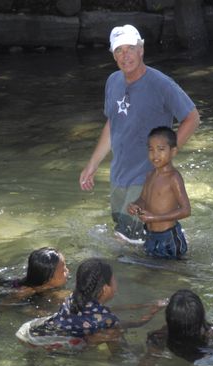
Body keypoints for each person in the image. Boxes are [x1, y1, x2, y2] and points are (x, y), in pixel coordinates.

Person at [79, 24, 200, 244]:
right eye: (119, 50)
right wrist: (92, 164)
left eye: (130, 48)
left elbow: (192, 118)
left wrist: (165, 158)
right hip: (118, 175)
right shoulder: (113, 81)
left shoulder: (161, 84)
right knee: (130, 236)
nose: (125, 56)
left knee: (126, 240)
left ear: (141, 49)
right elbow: (112, 124)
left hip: (145, 176)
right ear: (113, 55)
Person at [16, 258, 166, 351]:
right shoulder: (107, 319)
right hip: (49, 344)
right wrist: (150, 315)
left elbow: (102, 313)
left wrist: (139, 306)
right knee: (112, 340)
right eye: (114, 280)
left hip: (29, 331)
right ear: (106, 288)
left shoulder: (74, 298)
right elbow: (129, 324)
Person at [129, 289, 213, 366]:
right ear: (202, 314)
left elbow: (148, 361)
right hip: (210, 357)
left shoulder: (158, 337)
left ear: (168, 317)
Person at [127, 126, 191, 259]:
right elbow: (143, 199)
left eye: (161, 149)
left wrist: (155, 218)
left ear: (173, 151)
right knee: (151, 271)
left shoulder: (173, 177)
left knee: (173, 273)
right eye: (151, 149)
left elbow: (186, 210)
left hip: (169, 238)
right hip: (151, 235)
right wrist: (135, 205)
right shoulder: (150, 175)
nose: (155, 155)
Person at [0, 247, 69, 300]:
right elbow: (0, 308)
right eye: (63, 271)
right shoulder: (25, 292)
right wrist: (14, 298)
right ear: (48, 279)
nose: (68, 271)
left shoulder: (46, 286)